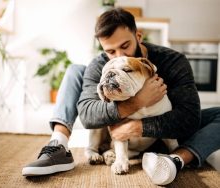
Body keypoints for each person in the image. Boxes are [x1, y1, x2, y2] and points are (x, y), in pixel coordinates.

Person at [22, 8, 220, 185]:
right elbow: (88, 116)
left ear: (138, 36)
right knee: (75, 70)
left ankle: (175, 160)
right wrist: (138, 102)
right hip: (124, 140)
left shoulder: (173, 61)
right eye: (110, 51)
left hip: (167, 133)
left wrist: (137, 127)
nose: (118, 55)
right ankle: (57, 145)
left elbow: (190, 118)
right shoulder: (100, 65)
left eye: (125, 46)